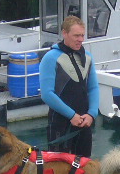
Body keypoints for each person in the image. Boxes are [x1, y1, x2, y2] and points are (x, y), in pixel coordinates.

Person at [39, 16, 99, 158]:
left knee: (83, 169)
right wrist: (71, 115)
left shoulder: (88, 57)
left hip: (84, 122)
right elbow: (47, 94)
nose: (80, 39)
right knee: (59, 171)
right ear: (64, 33)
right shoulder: (51, 58)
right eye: (76, 35)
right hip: (60, 123)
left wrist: (92, 114)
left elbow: (93, 88)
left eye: (82, 35)